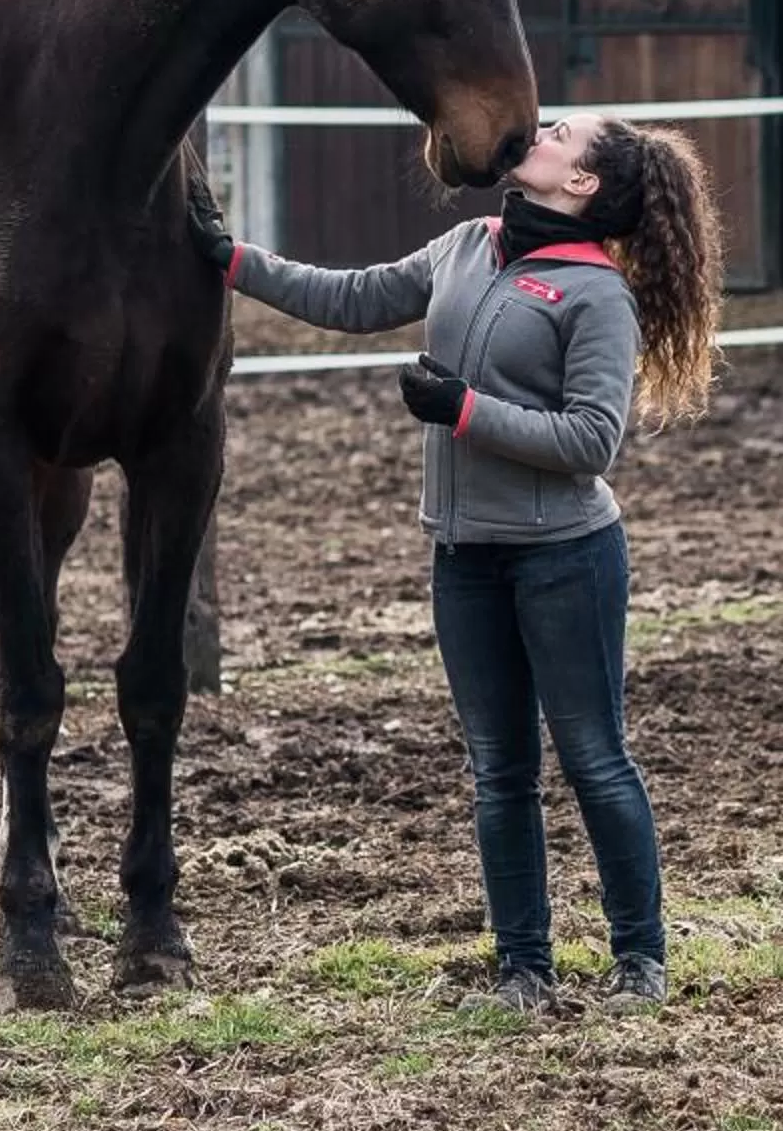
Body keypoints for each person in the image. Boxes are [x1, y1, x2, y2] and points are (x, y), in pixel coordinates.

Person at [191, 114, 725, 1015]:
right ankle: (524, 969)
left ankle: (641, 958)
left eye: (560, 132)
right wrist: (230, 258)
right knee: (498, 770)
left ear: (581, 183)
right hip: (463, 555)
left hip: (566, 558)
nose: (540, 129)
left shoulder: (597, 296)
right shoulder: (468, 245)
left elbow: (593, 441)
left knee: (595, 760)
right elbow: (353, 296)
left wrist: (464, 408)